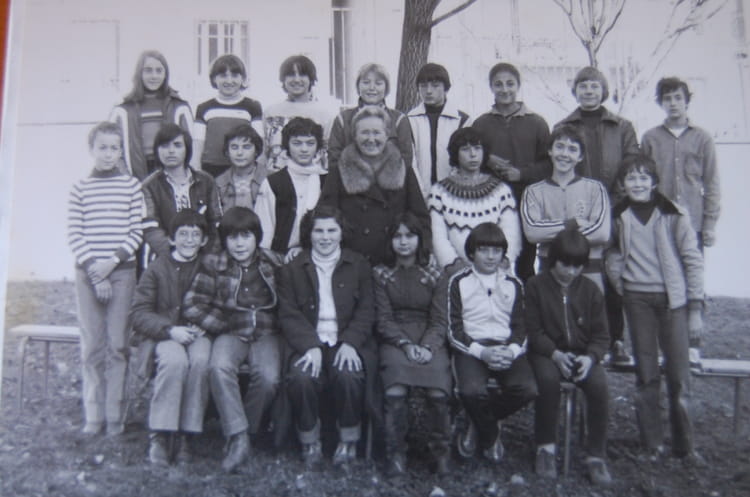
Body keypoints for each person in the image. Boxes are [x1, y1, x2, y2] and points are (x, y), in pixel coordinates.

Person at [605, 154, 705, 465]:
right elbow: (611, 252)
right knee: (646, 373)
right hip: (637, 300)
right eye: (631, 178)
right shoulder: (618, 215)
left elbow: (692, 260)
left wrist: (695, 306)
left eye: (643, 177)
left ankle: (685, 446)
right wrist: (620, 279)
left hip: (672, 301)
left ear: (654, 182)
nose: (637, 183)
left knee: (679, 375)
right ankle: (652, 444)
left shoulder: (674, 214)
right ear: (623, 184)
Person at [182, 207, 281, 472]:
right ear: (224, 240)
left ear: (257, 237)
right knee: (219, 367)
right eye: (232, 237)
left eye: (246, 236)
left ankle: (245, 432)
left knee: (269, 378)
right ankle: (238, 437)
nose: (239, 244)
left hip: (266, 332)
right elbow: (192, 304)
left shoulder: (273, 262)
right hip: (230, 330)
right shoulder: (215, 264)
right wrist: (220, 324)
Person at [277, 205, 376, 467]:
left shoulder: (358, 265)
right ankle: (310, 439)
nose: (325, 237)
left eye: (332, 230)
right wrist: (310, 346)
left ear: (342, 233)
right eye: (318, 231)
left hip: (345, 339)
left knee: (349, 375)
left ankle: (348, 438)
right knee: (302, 377)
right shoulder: (293, 268)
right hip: (309, 339)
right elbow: (288, 313)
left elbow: (367, 310)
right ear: (309, 234)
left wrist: (351, 343)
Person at [555, 66, 639, 363]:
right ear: (575, 91)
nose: (588, 91)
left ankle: (615, 339)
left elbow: (631, 165)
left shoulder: (622, 126)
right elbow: (560, 167)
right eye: (583, 86)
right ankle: (577, 337)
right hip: (577, 212)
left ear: (603, 91)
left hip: (614, 210)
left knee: (611, 275)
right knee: (577, 272)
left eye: (594, 86)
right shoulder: (563, 126)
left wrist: (611, 203)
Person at [435, 223, 537, 463]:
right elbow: (454, 328)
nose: (491, 257)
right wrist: (482, 353)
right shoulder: (458, 282)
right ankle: (490, 432)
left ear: (503, 254)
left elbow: (521, 327)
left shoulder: (513, 284)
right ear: (472, 253)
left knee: (527, 389)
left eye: (496, 251)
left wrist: (511, 351)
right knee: (470, 391)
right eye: (483, 250)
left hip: (505, 347)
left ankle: (478, 421)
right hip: (472, 347)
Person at [67, 122, 143, 435]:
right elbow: (75, 233)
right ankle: (93, 415)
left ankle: (115, 417)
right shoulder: (80, 188)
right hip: (88, 275)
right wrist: (95, 271)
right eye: (102, 147)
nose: (108, 154)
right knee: (92, 346)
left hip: (121, 272)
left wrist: (111, 264)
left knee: (118, 345)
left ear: (121, 151)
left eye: (114, 148)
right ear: (91, 150)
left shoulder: (131, 186)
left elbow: (136, 232)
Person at [526, 227, 611, 485]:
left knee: (599, 385)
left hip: (581, 354)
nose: (571, 272)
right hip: (546, 352)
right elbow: (533, 331)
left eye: (578, 266)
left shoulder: (591, 290)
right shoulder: (535, 286)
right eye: (565, 264)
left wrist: (591, 357)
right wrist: (554, 354)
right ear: (553, 260)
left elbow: (602, 336)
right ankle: (545, 448)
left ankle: (596, 455)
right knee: (547, 381)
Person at [130, 209, 211, 466]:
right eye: (183, 234)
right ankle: (161, 434)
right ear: (172, 239)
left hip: (198, 333)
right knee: (175, 361)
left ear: (204, 240)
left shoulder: (209, 266)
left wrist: (206, 324)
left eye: (195, 235)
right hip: (164, 334)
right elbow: (139, 313)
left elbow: (221, 302)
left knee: (200, 360)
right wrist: (169, 330)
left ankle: (187, 434)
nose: (189, 240)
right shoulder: (157, 268)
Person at [373, 212, 450, 476]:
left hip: (429, 336)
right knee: (395, 389)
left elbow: (439, 319)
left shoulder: (435, 274)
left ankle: (440, 451)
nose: (404, 242)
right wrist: (405, 345)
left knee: (438, 391)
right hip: (395, 338)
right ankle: (396, 452)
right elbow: (383, 319)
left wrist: (427, 347)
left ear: (420, 239)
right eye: (397, 236)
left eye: (410, 236)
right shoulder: (381, 274)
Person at [318, 105, 429, 266]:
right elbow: (325, 217)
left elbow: (421, 219)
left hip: (394, 262)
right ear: (355, 135)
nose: (371, 139)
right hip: (350, 262)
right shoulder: (338, 171)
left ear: (387, 135)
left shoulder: (403, 169)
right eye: (364, 132)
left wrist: (421, 255)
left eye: (377, 132)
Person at [472, 62, 551, 281]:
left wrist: (522, 174)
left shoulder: (537, 123)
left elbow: (548, 164)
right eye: (498, 84)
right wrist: (487, 159)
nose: (504, 89)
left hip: (527, 202)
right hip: (492, 202)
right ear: (491, 87)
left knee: (526, 263)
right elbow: (468, 157)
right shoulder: (481, 124)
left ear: (518, 85)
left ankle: (526, 300)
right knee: (494, 257)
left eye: (510, 83)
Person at [520, 125, 610, 291]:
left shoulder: (595, 189)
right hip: (549, 270)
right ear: (550, 151)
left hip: (589, 271)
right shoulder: (533, 191)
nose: (564, 154)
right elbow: (532, 232)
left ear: (580, 156)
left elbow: (602, 232)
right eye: (559, 147)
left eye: (572, 149)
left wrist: (550, 233)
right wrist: (573, 223)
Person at [641, 77, 720, 251]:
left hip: (693, 223)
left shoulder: (703, 138)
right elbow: (642, 182)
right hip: (659, 221)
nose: (673, 103)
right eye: (667, 98)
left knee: (692, 267)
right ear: (660, 103)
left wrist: (709, 224)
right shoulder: (650, 138)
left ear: (687, 101)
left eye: (678, 98)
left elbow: (712, 184)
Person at [429, 127, 521, 271]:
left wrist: (501, 264)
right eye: (465, 149)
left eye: (477, 148)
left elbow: (511, 233)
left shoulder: (501, 190)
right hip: (455, 274)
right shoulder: (439, 192)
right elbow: (438, 236)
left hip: (496, 272)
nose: (473, 154)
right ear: (456, 153)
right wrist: (455, 267)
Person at [141, 123, 222, 263]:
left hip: (202, 257)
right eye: (164, 146)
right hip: (165, 259)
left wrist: (205, 253)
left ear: (187, 149)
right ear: (157, 150)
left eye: (177, 145)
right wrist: (177, 254)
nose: (170, 151)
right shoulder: (149, 186)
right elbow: (151, 229)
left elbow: (216, 222)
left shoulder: (206, 181)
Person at [110, 50, 193, 180]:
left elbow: (190, 148)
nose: (154, 76)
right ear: (139, 73)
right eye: (148, 70)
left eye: (159, 71)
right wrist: (126, 178)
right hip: (135, 174)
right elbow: (112, 148)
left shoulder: (179, 107)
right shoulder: (123, 110)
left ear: (165, 74)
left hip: (170, 174)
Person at [255, 117, 327, 263]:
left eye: (310, 143)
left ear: (318, 147)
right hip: (279, 257)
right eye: (297, 143)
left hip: (319, 254)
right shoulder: (274, 182)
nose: (304, 149)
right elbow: (264, 226)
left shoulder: (326, 181)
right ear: (286, 145)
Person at [328, 63, 413, 172]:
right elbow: (334, 159)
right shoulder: (342, 119)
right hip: (349, 180)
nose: (372, 88)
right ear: (358, 86)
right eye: (366, 82)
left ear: (386, 88)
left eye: (378, 83)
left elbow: (406, 160)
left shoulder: (399, 120)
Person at [193, 54, 264, 178]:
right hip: (210, 169)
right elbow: (197, 145)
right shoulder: (204, 108)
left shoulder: (252, 106)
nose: (229, 81)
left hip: (243, 170)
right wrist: (196, 172)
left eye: (235, 75)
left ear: (243, 79)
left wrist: (258, 173)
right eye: (223, 76)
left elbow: (259, 143)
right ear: (214, 79)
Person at [407, 62, 471, 198]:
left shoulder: (462, 120)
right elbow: (411, 162)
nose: (428, 91)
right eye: (423, 86)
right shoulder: (410, 120)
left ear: (446, 88)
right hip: (420, 196)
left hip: (454, 194)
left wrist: (450, 191)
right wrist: (420, 195)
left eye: (435, 86)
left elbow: (464, 161)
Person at [264, 55, 336, 172]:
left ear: (311, 79)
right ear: (283, 79)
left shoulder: (325, 115)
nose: (297, 80)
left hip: (312, 178)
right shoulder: (271, 112)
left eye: (302, 74)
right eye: (291, 75)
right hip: (275, 177)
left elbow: (328, 155)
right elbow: (264, 151)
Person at [215, 124, 266, 211]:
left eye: (246, 147)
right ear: (227, 151)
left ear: (256, 151)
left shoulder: (271, 179)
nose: (239, 153)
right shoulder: (219, 183)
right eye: (234, 147)